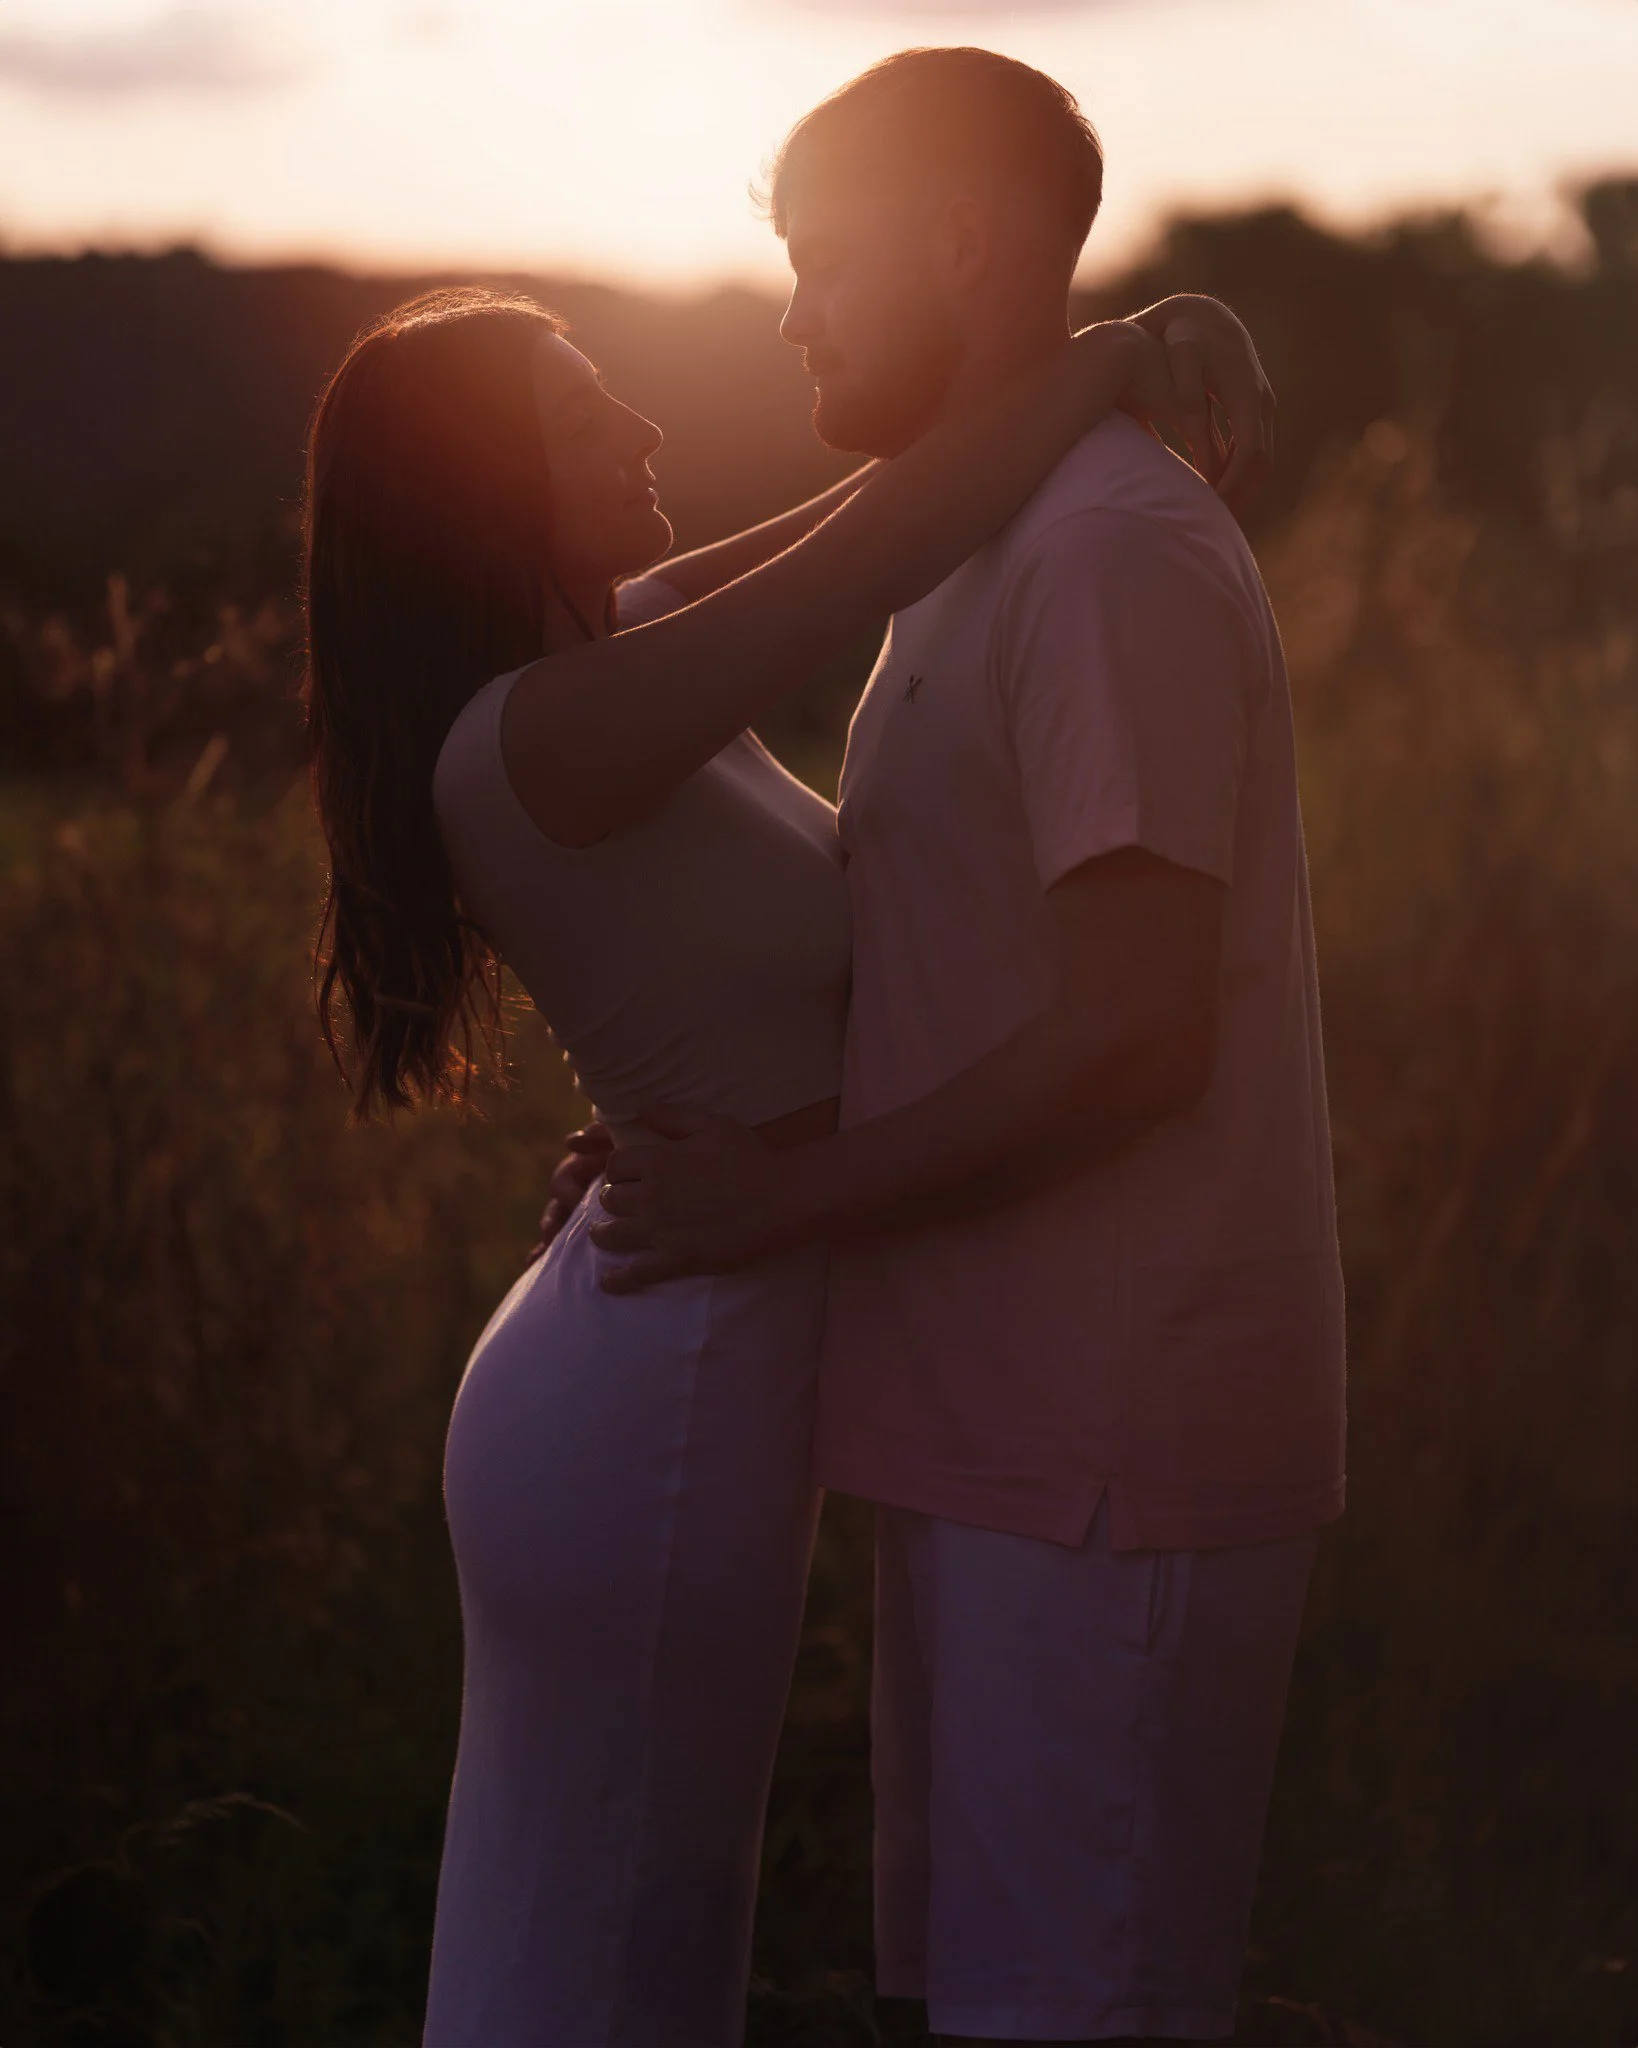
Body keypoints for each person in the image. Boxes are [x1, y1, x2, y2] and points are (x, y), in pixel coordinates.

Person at [301, 269, 1272, 2048]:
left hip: (683, 1314)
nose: (644, 427)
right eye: (581, 419)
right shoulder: (544, 732)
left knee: (626, 1917)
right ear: (481, 491)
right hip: (659, 1376)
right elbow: (874, 551)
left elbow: (874, 510)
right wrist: (1117, 359)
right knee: (603, 1935)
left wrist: (1082, 366)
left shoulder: (619, 649)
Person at [587, 47, 1347, 2048]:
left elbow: (1134, 1037)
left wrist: (774, 1206)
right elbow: (974, 976)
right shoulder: (971, 542)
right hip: (992, 1431)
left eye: (825, 259)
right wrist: (743, 1142)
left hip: (1113, 1461)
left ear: (959, 240)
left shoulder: (1106, 553)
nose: (793, 315)